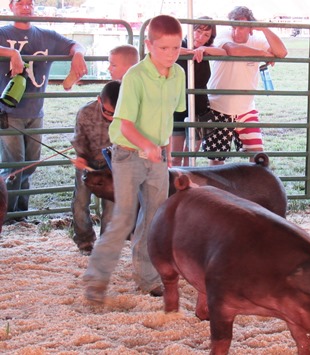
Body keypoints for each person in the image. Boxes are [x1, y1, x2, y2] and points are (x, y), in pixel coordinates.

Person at [83, 15, 186, 304]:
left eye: (176, 48)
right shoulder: (135, 77)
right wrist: (147, 146)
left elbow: (169, 115)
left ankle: (147, 279)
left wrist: (166, 149)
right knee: (124, 217)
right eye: (164, 48)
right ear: (149, 45)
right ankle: (96, 278)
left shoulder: (178, 75)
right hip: (128, 153)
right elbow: (125, 123)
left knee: (154, 218)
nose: (170, 54)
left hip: (156, 155)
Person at [0, 0, 87, 223]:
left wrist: (78, 54)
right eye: (20, 2)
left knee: (30, 163)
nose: (26, 6)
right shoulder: (2, 31)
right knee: (13, 166)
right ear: (11, 6)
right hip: (8, 111)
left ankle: (21, 214)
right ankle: (7, 217)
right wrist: (11, 53)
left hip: (35, 111)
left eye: (30, 3)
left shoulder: (46, 35)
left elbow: (74, 44)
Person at [203, 6, 287, 165]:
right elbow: (232, 50)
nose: (236, 32)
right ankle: (217, 189)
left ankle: (251, 188)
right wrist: (263, 54)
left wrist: (265, 29)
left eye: (241, 27)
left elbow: (282, 52)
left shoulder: (257, 40)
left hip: (246, 109)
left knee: (258, 157)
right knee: (216, 160)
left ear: (251, 28)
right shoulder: (224, 35)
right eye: (233, 27)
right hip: (219, 107)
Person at [71, 81, 121, 256]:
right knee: (80, 203)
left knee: (111, 206)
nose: (111, 117)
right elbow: (79, 138)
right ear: (99, 100)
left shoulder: (128, 115)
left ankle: (106, 245)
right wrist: (81, 157)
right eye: (107, 112)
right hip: (89, 161)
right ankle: (85, 241)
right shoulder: (85, 112)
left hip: (113, 166)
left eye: (115, 114)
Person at [171, 16, 226, 167]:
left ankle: (188, 187)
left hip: (199, 108)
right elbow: (168, 49)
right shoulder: (178, 45)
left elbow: (223, 52)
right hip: (177, 107)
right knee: (175, 156)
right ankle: (176, 187)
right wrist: (190, 52)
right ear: (191, 29)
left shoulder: (207, 51)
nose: (201, 37)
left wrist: (203, 49)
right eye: (198, 31)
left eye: (206, 35)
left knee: (191, 156)